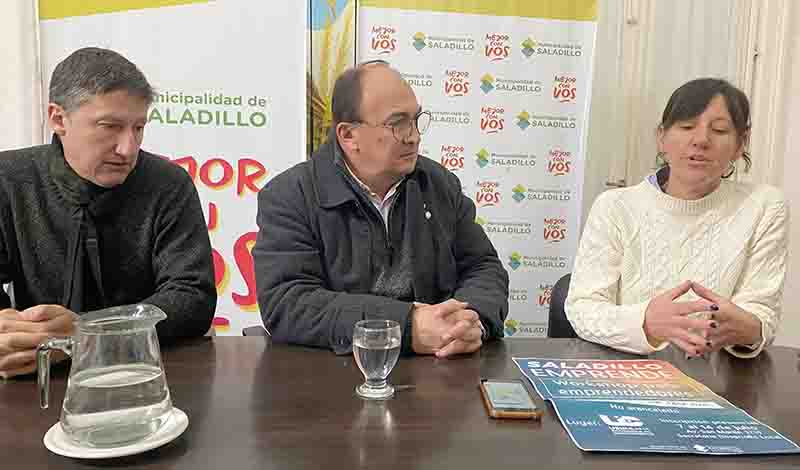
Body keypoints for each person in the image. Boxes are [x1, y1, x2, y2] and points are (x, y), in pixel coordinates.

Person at [253, 61, 508, 357]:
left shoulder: (439, 185)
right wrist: (406, 326)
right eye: (397, 123)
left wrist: (470, 321)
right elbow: (287, 302)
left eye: (416, 120)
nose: (414, 136)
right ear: (348, 136)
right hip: (336, 369)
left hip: (438, 364)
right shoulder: (290, 196)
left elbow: (483, 268)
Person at [0, 47, 216, 378]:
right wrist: (11, 335)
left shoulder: (168, 184)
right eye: (109, 126)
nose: (128, 148)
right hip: (35, 373)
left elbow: (192, 297)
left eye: (138, 128)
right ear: (58, 119)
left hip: (145, 371)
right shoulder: (8, 179)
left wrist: (88, 333)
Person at [566, 78, 789, 359]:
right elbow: (582, 308)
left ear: (740, 144)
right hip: (626, 371)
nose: (701, 140)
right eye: (686, 127)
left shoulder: (765, 206)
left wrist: (749, 328)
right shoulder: (615, 207)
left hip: (720, 376)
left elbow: (761, 313)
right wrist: (645, 322)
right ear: (662, 137)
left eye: (719, 130)